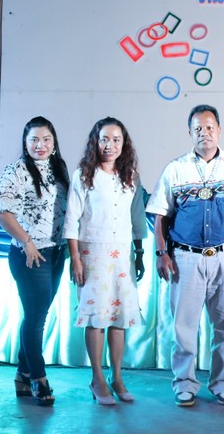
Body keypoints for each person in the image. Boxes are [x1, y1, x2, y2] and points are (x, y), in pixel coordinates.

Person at [147, 104, 224, 407]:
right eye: (198, 128)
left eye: (209, 127)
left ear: (219, 130)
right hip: (185, 258)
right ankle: (184, 383)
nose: (204, 133)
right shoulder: (176, 169)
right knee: (184, 326)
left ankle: (223, 383)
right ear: (190, 132)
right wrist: (161, 253)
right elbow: (160, 215)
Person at [63, 117, 147, 405]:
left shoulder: (130, 176)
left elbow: (137, 218)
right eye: (104, 139)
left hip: (122, 253)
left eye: (116, 140)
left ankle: (117, 377)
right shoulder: (84, 175)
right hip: (92, 253)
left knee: (119, 317)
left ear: (124, 143)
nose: (110, 145)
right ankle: (97, 379)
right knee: (96, 317)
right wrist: (75, 259)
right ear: (95, 142)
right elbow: (71, 219)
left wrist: (139, 252)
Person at [0, 116, 70, 406]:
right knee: (36, 318)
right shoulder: (17, 170)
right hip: (30, 255)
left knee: (38, 315)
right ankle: (38, 378)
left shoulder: (59, 169)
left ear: (54, 142)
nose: (40, 145)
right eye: (34, 139)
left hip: (57, 252)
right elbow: (0, 210)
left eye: (46, 139)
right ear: (25, 143)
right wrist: (26, 241)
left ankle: (22, 374)